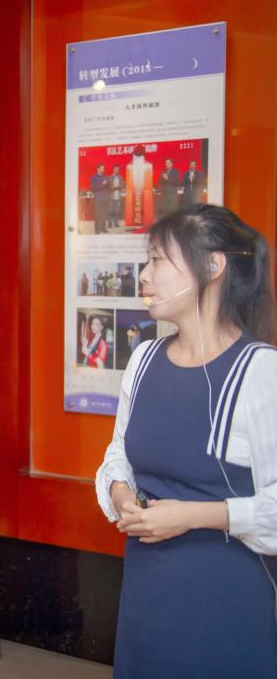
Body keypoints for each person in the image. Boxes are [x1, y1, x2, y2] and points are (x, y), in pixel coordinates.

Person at [95, 204, 277, 677]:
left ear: (213, 266)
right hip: (146, 589)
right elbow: (118, 454)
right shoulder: (143, 359)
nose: (144, 274)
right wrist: (121, 494)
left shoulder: (261, 372)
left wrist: (194, 516)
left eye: (158, 259)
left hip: (225, 598)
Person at [90, 163, 110, 233]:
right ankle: (97, 229)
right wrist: (102, 184)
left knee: (104, 214)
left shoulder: (105, 177)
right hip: (98, 199)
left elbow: (108, 187)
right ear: (97, 169)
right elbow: (93, 189)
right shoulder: (94, 177)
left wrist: (108, 184)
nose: (103, 169)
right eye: (101, 168)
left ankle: (103, 228)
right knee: (97, 214)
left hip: (105, 198)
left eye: (103, 168)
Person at [108, 165, 125, 229]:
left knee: (117, 211)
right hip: (111, 197)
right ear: (113, 170)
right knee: (110, 211)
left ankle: (116, 223)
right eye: (115, 169)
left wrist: (119, 186)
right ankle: (109, 223)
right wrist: (115, 187)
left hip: (118, 197)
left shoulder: (120, 177)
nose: (117, 171)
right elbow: (109, 187)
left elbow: (123, 185)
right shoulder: (109, 177)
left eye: (118, 170)